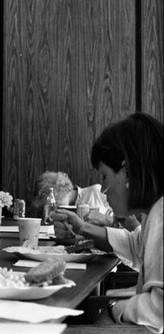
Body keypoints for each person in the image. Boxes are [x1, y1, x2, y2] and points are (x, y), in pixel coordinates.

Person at [51, 113, 163, 332]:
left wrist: (115, 310)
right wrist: (83, 227)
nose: (102, 190)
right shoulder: (154, 212)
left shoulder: (161, 215)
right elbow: (134, 243)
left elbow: (159, 310)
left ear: (127, 170)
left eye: (104, 177)